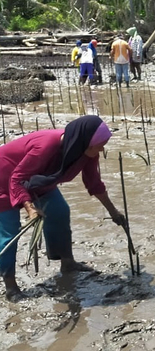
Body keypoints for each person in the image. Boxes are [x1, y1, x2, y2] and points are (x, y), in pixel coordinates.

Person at [0, 115, 125, 302]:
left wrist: (114, 212)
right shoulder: (47, 146)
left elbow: (94, 184)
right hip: (4, 179)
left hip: (40, 181)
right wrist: (31, 209)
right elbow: (16, 179)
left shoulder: (86, 152)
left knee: (59, 211)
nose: (102, 149)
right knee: (10, 232)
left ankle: (67, 263)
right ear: (84, 140)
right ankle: (11, 286)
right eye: (99, 144)